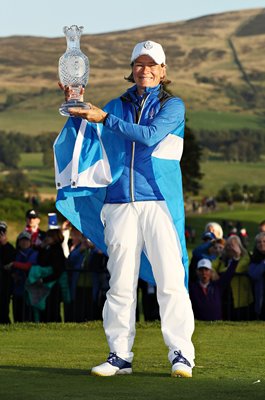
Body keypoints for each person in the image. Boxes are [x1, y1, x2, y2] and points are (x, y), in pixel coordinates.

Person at [55, 40, 195, 377]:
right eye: (139, 64)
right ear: (132, 70)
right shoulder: (114, 106)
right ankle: (119, 355)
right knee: (119, 282)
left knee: (170, 280)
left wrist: (104, 118)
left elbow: (148, 136)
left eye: (152, 65)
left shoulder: (172, 106)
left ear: (163, 72)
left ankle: (181, 354)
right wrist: (74, 106)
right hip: (119, 204)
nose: (145, 70)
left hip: (159, 201)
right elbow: (89, 138)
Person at [4, 231, 38, 322]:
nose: (24, 242)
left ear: (30, 242)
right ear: (18, 242)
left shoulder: (34, 254)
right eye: (22, 240)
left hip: (29, 290)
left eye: (26, 240)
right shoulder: (15, 253)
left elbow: (29, 266)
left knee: (28, 316)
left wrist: (14, 264)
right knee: (17, 315)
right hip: (17, 290)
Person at [0, 221, 16, 324]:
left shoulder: (9, 248)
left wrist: (4, 244)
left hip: (4, 283)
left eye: (2, 232)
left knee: (3, 307)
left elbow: (11, 261)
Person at [248, 232, 265, 319]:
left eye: (264, 241)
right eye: (259, 242)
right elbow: (254, 275)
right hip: (261, 296)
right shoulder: (254, 258)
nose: (262, 244)